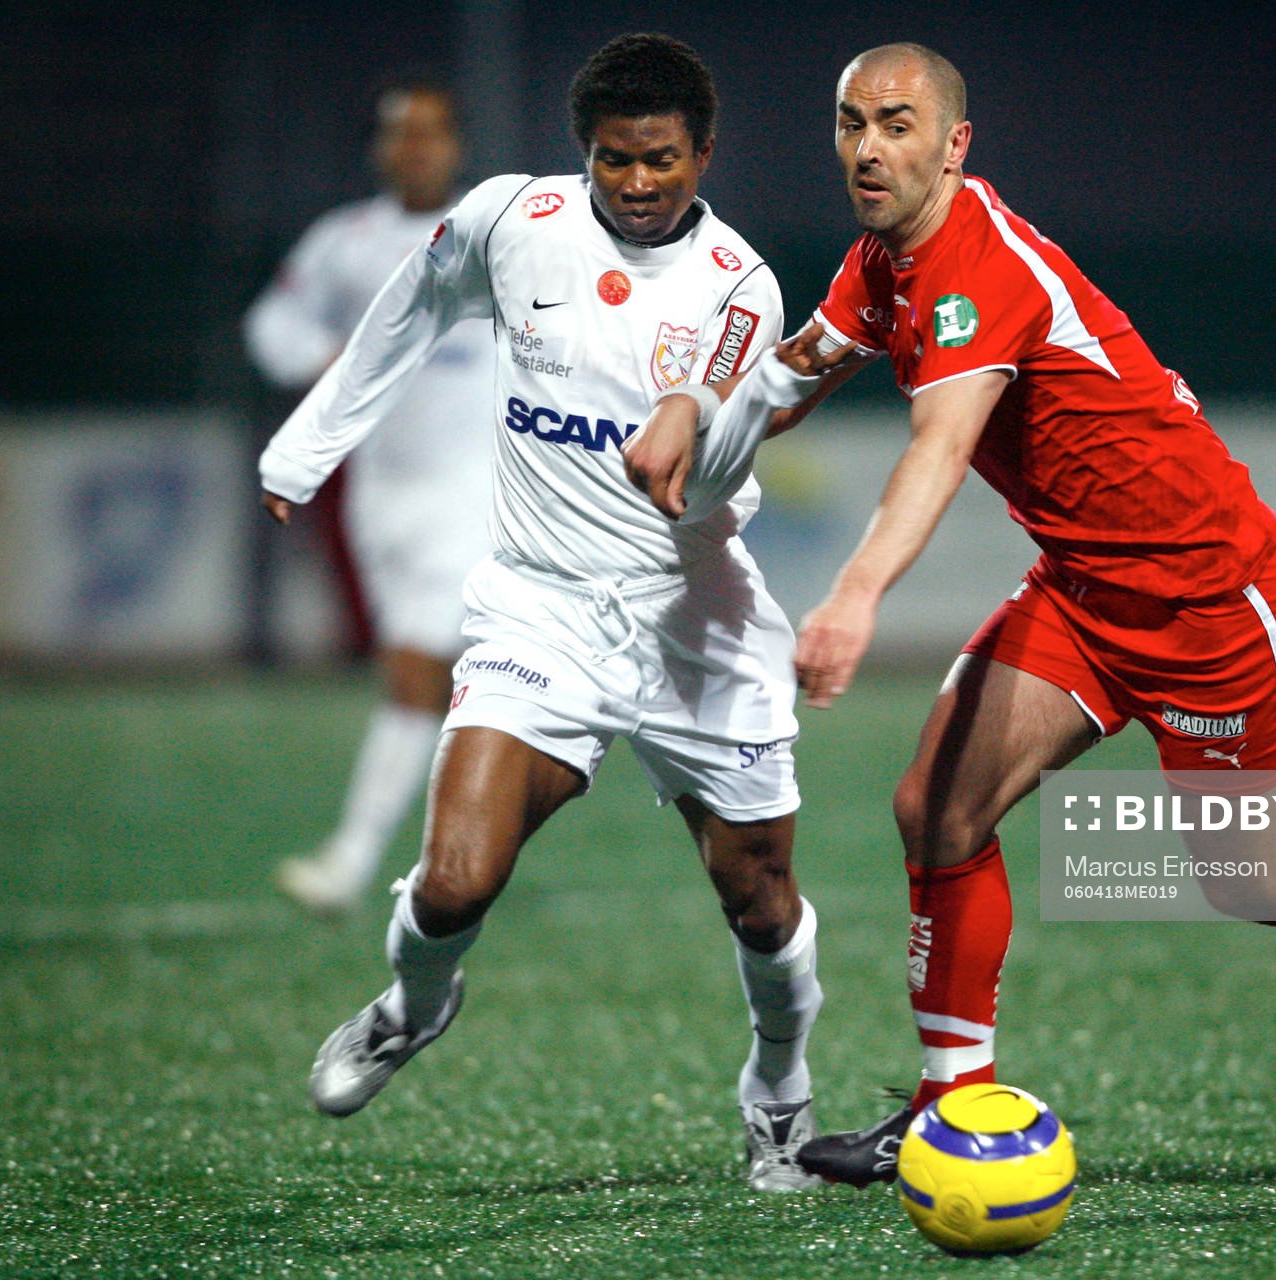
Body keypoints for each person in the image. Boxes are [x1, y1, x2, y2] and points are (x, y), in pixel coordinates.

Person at [623, 42, 1276, 1188]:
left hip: (1214, 605)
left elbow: (939, 447)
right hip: (1083, 591)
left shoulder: (979, 269)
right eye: (849, 122)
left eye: (895, 124)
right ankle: (947, 1108)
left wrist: (855, 592)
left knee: (1248, 874)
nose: (866, 148)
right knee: (936, 808)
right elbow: (790, 374)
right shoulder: (883, 263)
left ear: (953, 146)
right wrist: (695, 406)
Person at [258, 34, 841, 1192]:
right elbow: (408, 306)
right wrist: (308, 446)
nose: (638, 182)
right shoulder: (510, 219)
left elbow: (720, 385)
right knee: (452, 879)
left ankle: (777, 1083)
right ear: (584, 150)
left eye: (661, 159)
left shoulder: (741, 281)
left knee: (759, 899)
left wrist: (689, 410)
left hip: (693, 614)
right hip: (541, 603)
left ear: (702, 153)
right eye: (616, 158)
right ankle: (411, 1006)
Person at [245, 80, 496, 915]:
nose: (414, 148)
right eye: (399, 134)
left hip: (473, 488)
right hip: (379, 491)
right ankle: (469, 849)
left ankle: (350, 863)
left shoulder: (492, 231)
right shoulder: (342, 241)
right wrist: (319, 358)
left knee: (414, 668)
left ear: (456, 144)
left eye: (430, 133)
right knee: (443, 675)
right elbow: (273, 324)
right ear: (378, 148)